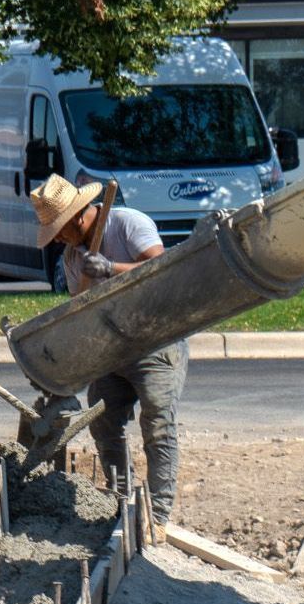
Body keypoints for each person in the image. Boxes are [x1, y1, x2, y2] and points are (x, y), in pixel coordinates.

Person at [29, 174, 188, 531]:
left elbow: (161, 270)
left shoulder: (126, 224)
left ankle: (157, 518)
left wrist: (111, 269)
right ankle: (124, 503)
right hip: (110, 350)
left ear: (78, 217)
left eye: (60, 230)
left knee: (158, 421)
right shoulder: (72, 258)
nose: (57, 239)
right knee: (103, 421)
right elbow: (80, 314)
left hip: (154, 340)